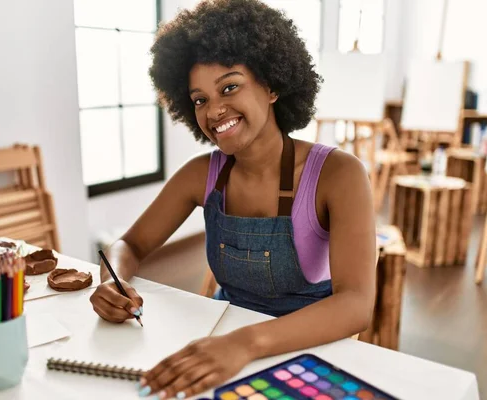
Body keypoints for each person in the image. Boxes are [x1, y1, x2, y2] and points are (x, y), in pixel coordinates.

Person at [89, 0, 376, 398]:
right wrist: (113, 281)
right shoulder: (201, 174)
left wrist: (245, 344)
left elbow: (356, 305)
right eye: (200, 99)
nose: (214, 110)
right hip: (224, 343)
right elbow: (130, 244)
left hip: (310, 352)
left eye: (229, 87)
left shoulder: (338, 174)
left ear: (272, 85)